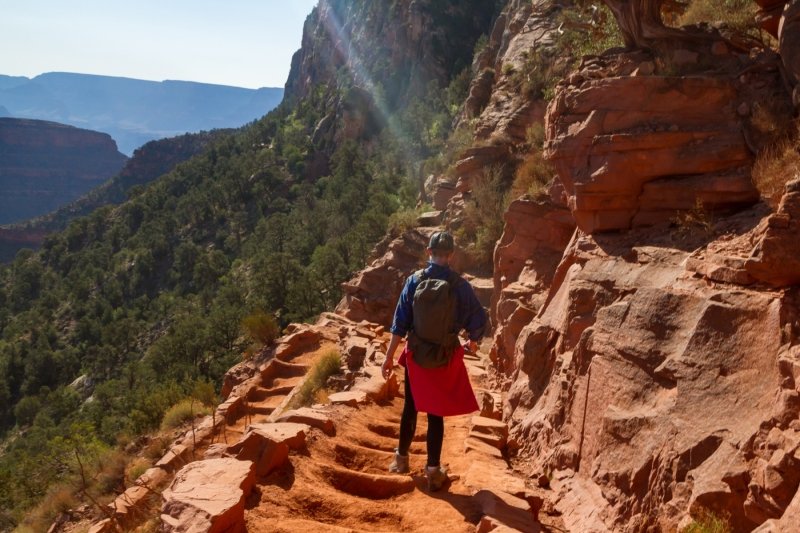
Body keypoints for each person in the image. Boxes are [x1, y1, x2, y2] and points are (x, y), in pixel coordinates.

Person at [381, 230, 487, 491]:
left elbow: (399, 325)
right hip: (444, 356)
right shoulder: (459, 285)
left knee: (410, 407)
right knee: (436, 414)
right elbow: (478, 319)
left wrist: (388, 358)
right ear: (451, 255)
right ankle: (433, 471)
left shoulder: (414, 281)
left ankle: (401, 460)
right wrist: (472, 341)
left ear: (429, 252)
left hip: (416, 356)